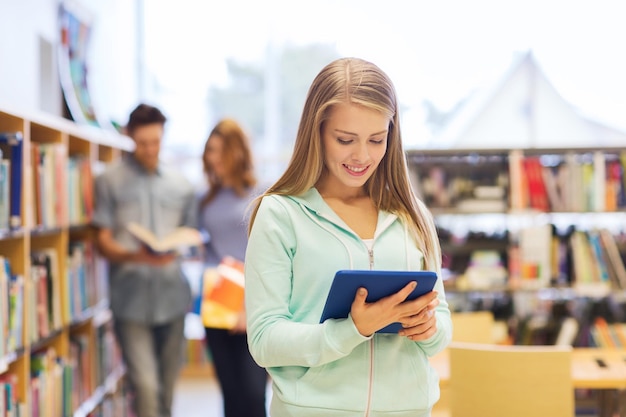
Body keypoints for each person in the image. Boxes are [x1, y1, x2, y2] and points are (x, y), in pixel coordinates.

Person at [244, 57, 452, 417]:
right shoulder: (281, 214)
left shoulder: (412, 215)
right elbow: (264, 340)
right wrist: (352, 330)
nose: (362, 156)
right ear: (317, 132)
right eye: (345, 139)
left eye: (376, 139)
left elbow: (443, 324)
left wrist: (429, 327)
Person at [92, 103, 197, 417]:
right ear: (130, 137)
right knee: (146, 388)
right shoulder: (109, 181)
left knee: (166, 390)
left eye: (156, 142)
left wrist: (181, 247)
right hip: (130, 300)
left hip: (173, 298)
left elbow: (191, 235)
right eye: (142, 144)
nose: (150, 150)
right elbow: (102, 240)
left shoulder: (182, 185)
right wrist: (134, 255)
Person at [198, 118, 268, 417]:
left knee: (253, 395)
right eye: (208, 151)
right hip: (216, 302)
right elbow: (206, 248)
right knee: (230, 395)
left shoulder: (262, 194)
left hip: (252, 303)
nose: (212, 158)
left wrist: (246, 305)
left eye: (218, 150)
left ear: (237, 151)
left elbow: (267, 255)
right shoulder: (204, 200)